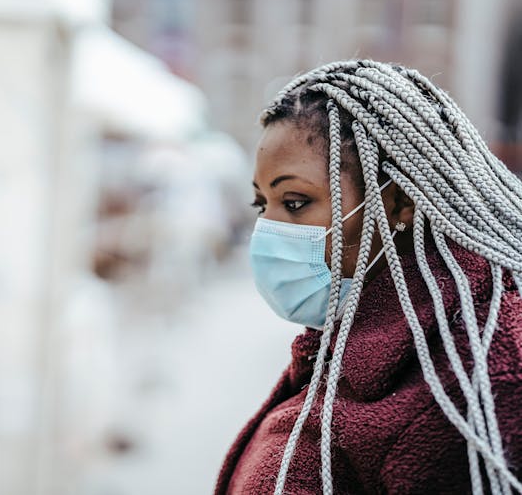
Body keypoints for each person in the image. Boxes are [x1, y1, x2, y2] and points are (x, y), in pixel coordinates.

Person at [215, 60, 522, 494]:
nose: (269, 228)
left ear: (397, 203)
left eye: (296, 201)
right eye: (261, 204)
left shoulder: (477, 383)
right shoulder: (348, 348)